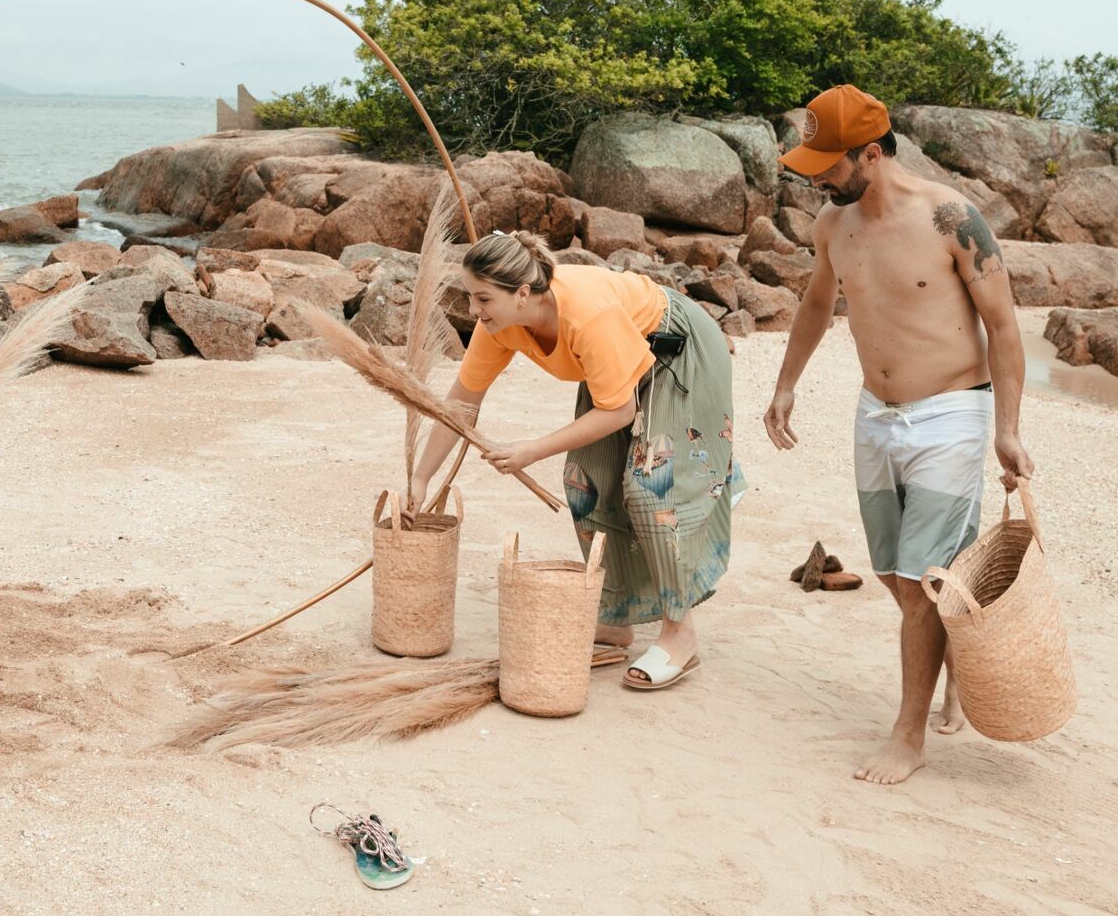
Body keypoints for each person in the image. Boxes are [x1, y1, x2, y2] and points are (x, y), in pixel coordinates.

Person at [764, 83, 1034, 784]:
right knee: (895, 573)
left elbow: (1004, 328)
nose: (815, 176)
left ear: (872, 154)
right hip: (874, 412)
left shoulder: (953, 219)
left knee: (918, 584)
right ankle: (948, 658)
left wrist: (1007, 429)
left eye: (828, 163)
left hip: (952, 412)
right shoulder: (834, 225)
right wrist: (786, 383)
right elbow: (819, 304)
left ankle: (908, 736)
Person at [410, 231, 743, 690]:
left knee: (652, 485)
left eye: (482, 298)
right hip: (614, 370)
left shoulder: (588, 315)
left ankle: (679, 635)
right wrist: (421, 478)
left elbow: (621, 411)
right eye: (470, 297)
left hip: (677, 350)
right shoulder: (499, 326)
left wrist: (530, 450)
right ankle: (614, 618)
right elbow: (463, 401)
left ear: (523, 293)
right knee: (586, 479)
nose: (473, 311)